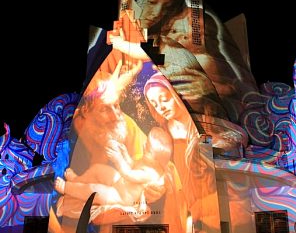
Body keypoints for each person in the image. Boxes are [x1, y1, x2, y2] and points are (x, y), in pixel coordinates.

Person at [144, 72, 221, 233]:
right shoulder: (162, 133)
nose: (160, 107)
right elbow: (155, 169)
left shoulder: (201, 124)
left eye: (164, 100)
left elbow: (216, 153)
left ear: (176, 94)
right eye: (154, 104)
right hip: (179, 199)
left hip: (206, 193)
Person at [54, 127, 173, 220]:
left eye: (147, 148)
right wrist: (125, 154)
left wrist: (118, 159)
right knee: (98, 169)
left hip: (119, 196)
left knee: (94, 190)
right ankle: (78, 179)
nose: (143, 146)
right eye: (145, 143)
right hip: (119, 183)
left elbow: (128, 174)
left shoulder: (151, 173)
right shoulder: (147, 162)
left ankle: (67, 188)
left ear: (158, 158)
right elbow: (132, 165)